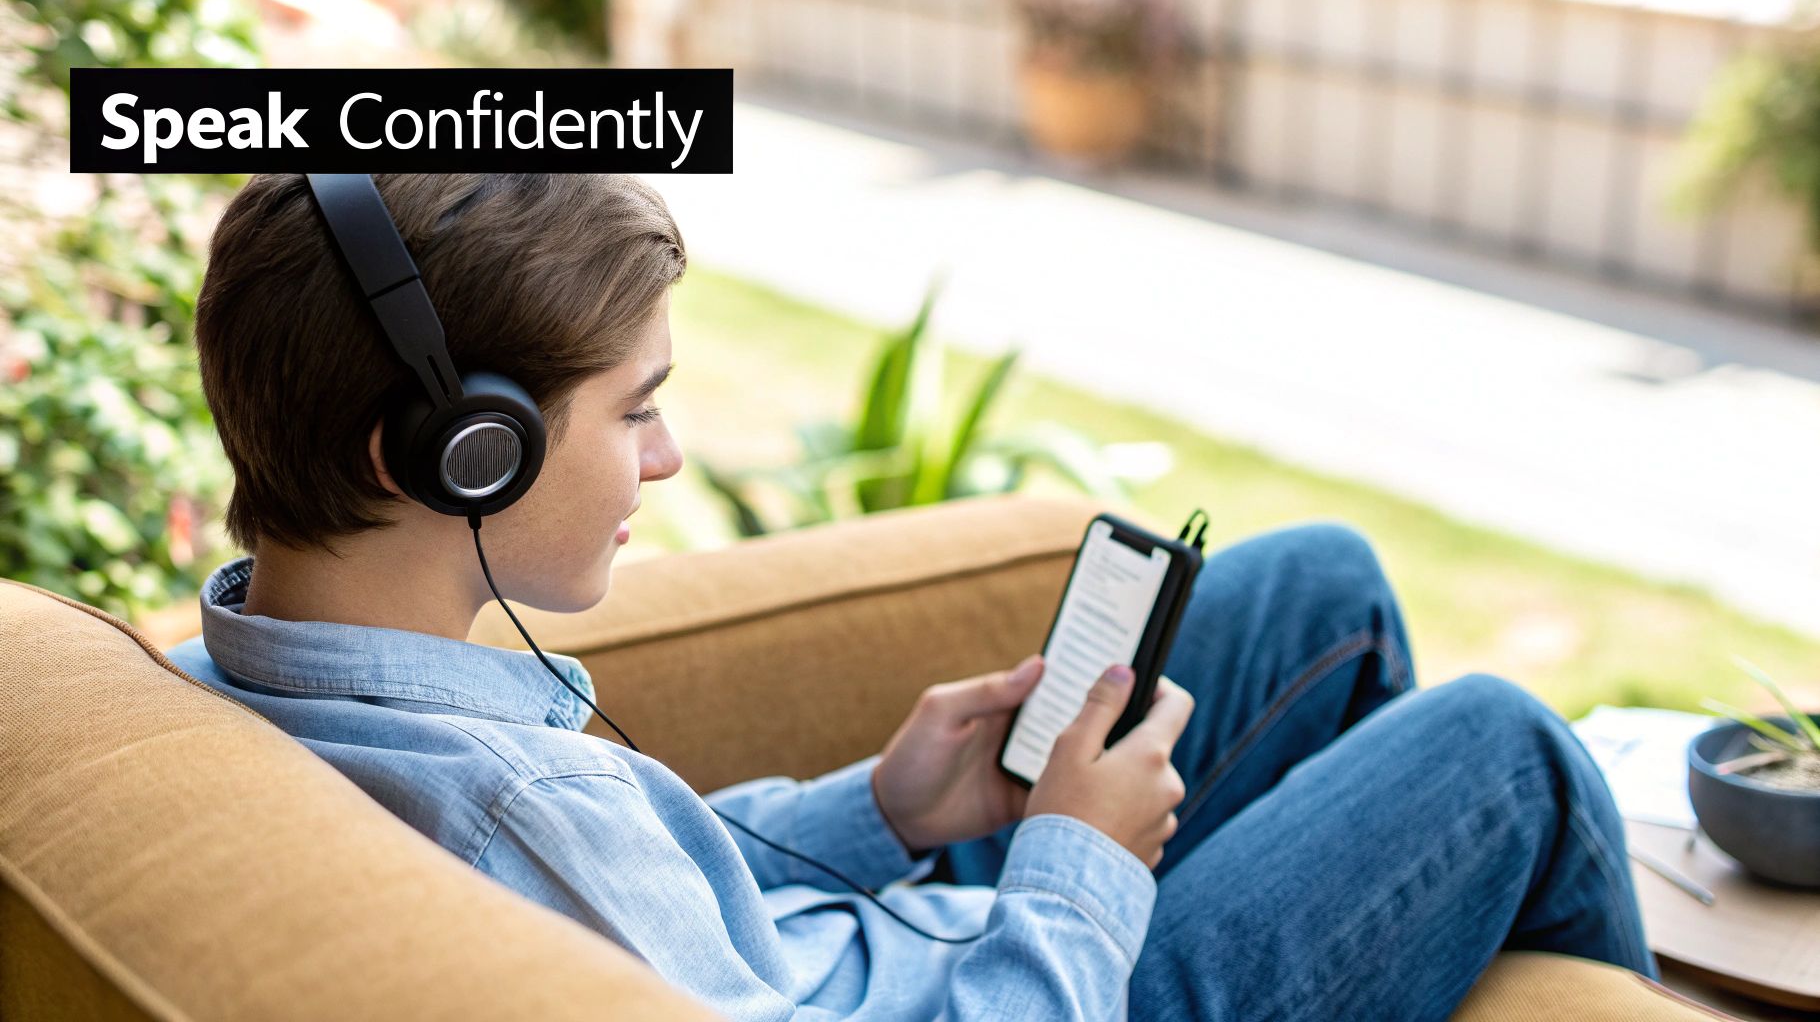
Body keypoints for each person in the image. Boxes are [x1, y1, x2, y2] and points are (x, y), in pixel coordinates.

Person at [167, 172, 1654, 1022]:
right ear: (454, 454)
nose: (670, 456)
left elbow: (676, 924)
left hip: (908, 954)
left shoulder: (244, 678)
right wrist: (1075, 859)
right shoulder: (505, 809)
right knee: (1504, 747)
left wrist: (885, 808)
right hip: (1027, 993)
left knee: (1316, 582)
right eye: (634, 412)